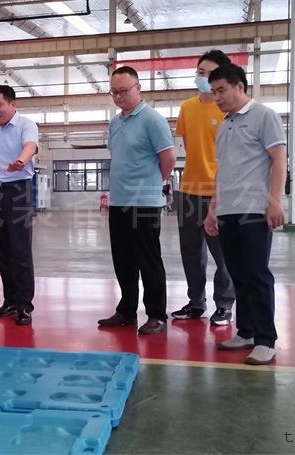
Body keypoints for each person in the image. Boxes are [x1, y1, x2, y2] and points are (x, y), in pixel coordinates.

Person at [203, 63, 287, 365]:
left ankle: (266, 339)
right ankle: (247, 331)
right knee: (237, 273)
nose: (216, 97)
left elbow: (279, 159)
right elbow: (223, 170)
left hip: (254, 208)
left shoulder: (264, 116)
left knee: (256, 273)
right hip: (228, 209)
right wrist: (213, 208)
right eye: (213, 92)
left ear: (240, 86)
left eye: (221, 90)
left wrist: (274, 201)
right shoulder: (224, 124)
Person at [96, 66, 176, 335]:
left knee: (148, 260)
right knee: (123, 259)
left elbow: (169, 158)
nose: (119, 96)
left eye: (123, 91)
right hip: (118, 200)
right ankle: (127, 310)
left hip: (145, 202)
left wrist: (153, 183)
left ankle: (156, 314)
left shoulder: (153, 120)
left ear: (138, 88)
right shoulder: (115, 122)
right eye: (114, 92)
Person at [169, 49, 236, 326]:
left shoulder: (227, 110)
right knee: (191, 252)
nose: (203, 77)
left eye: (209, 74)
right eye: (200, 72)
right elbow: (190, 146)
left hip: (219, 191)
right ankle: (196, 302)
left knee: (223, 254)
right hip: (188, 189)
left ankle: (224, 305)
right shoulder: (187, 107)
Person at [0, 85, 39, 325]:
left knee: (20, 250)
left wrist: (20, 161)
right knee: (1, 251)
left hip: (18, 191)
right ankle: (10, 301)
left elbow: (30, 146)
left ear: (12, 104)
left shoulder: (26, 125)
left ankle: (24, 305)